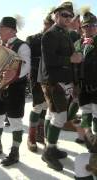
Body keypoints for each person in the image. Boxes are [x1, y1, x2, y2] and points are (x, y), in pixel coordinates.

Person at [38, 1, 82, 171]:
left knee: (52, 115)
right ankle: (48, 152)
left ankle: (52, 147)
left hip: (61, 81)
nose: (68, 18)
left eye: (70, 15)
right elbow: (49, 61)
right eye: (64, 14)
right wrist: (70, 59)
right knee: (60, 117)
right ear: (56, 15)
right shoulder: (50, 34)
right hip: (53, 81)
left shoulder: (65, 33)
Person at [0, 16, 31, 166]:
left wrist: (15, 74)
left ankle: (15, 151)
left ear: (12, 30)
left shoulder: (22, 46)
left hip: (15, 89)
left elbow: (27, 66)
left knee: (15, 120)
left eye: (2, 28)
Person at [25, 10, 55, 152]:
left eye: (52, 25)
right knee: (37, 105)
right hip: (36, 77)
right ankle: (31, 136)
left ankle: (40, 132)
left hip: (50, 77)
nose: (49, 27)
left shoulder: (55, 39)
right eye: (48, 24)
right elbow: (25, 61)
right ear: (44, 23)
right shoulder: (32, 39)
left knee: (46, 105)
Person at [74, 9, 97, 139]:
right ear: (82, 28)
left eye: (94, 25)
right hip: (82, 86)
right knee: (85, 112)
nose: (90, 28)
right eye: (86, 25)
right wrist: (74, 84)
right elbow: (73, 66)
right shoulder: (77, 44)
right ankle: (88, 139)